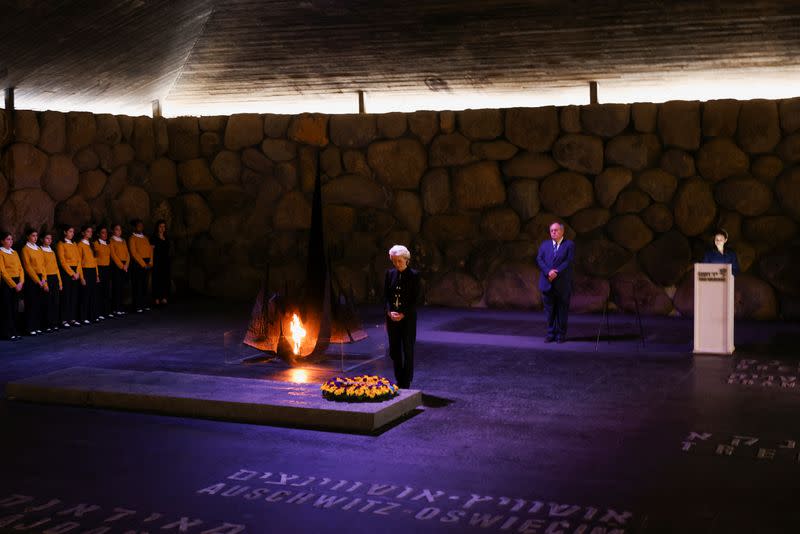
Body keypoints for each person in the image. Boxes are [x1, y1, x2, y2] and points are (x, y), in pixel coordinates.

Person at [383, 245, 420, 389]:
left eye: (399, 261)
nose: (397, 264)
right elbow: (386, 296)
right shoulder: (389, 274)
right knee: (395, 350)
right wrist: (389, 312)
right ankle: (399, 378)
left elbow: (416, 298)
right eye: (394, 261)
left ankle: (406, 380)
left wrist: (403, 313)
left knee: (408, 348)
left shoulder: (414, 275)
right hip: (392, 319)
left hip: (408, 319)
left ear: (406, 260)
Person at [536, 221, 575, 343]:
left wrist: (556, 271)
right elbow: (539, 259)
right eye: (551, 230)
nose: (553, 232)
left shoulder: (569, 244)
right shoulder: (544, 245)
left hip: (562, 284)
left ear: (562, 231)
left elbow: (568, 261)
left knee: (562, 310)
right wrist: (548, 272)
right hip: (547, 283)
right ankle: (550, 333)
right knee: (549, 311)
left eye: (556, 230)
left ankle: (561, 334)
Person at [20, 228, 47, 336]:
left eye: (36, 236)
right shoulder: (25, 249)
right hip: (32, 279)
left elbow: (43, 265)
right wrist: (37, 281)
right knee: (31, 303)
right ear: (28, 237)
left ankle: (37, 326)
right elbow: (28, 267)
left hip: (41, 278)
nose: (35, 238)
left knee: (39, 304)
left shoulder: (39, 249)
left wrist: (44, 279)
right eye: (33, 236)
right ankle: (30, 328)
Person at [56, 225, 82, 328]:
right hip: (67, 272)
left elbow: (79, 259)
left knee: (74, 296)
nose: (72, 233)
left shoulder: (74, 243)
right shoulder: (61, 244)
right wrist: (72, 273)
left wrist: (78, 272)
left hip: (76, 271)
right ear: (65, 232)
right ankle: (64, 319)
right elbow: (62, 261)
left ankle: (72, 318)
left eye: (73, 232)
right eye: (70, 231)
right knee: (66, 297)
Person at [0, 231, 24, 340]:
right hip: (7, 283)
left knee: (15, 308)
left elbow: (20, 268)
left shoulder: (14, 253)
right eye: (8, 239)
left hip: (17, 282)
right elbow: (3, 271)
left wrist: (21, 282)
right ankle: (7, 332)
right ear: (2, 241)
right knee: (7, 308)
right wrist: (14, 285)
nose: (11, 241)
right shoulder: (1, 252)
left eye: (11, 239)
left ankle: (15, 330)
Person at [39, 230, 62, 332]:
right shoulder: (40, 250)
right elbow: (42, 267)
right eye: (47, 238)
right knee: (47, 303)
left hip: (55, 278)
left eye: (50, 239)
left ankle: (54, 323)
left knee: (55, 302)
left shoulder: (52, 251)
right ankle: (47, 325)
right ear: (42, 239)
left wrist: (60, 282)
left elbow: (56, 267)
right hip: (47, 278)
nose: (49, 240)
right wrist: (45, 283)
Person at [128, 219, 152, 313]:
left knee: (145, 285)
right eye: (138, 226)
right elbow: (134, 253)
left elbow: (150, 250)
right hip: (138, 264)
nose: (140, 227)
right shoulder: (132, 238)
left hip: (147, 263)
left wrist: (150, 262)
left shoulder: (145, 238)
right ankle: (137, 306)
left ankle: (144, 304)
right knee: (137, 285)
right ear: (134, 227)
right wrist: (143, 264)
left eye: (142, 226)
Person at [77, 225, 100, 324]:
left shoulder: (91, 244)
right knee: (85, 295)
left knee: (93, 294)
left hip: (92, 271)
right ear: (83, 233)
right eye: (88, 231)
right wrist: (82, 277)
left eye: (91, 231)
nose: (90, 233)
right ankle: (83, 317)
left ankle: (92, 315)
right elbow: (79, 262)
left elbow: (95, 262)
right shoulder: (80, 245)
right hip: (85, 271)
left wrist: (97, 275)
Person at [109, 223, 130, 316]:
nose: (119, 231)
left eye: (120, 230)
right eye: (117, 229)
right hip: (117, 266)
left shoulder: (123, 240)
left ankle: (121, 307)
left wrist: (126, 264)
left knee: (122, 287)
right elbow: (113, 255)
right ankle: (115, 308)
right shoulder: (111, 240)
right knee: (116, 287)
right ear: (113, 230)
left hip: (125, 266)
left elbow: (127, 254)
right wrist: (122, 266)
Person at [93, 225, 112, 319]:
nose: (105, 234)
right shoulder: (96, 243)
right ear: (98, 234)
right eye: (103, 233)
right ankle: (99, 312)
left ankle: (106, 311)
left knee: (106, 290)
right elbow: (95, 258)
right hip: (99, 268)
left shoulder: (108, 243)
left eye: (106, 232)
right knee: (99, 291)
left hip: (107, 268)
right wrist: (97, 273)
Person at [151, 219, 171, 307]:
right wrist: (151, 261)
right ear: (157, 228)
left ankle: (164, 297)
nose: (162, 228)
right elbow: (151, 250)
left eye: (164, 227)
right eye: (160, 227)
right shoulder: (154, 238)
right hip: (157, 261)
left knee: (165, 279)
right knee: (157, 280)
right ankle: (156, 298)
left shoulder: (166, 238)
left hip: (165, 261)